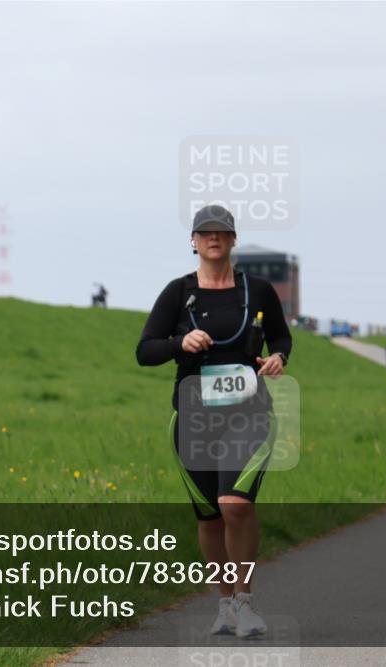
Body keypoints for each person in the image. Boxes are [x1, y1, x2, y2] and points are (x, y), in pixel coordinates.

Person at [136, 204, 292, 638]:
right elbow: (144, 350)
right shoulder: (177, 292)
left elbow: (281, 335)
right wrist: (178, 342)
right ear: (193, 241)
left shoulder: (257, 290)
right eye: (205, 232)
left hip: (250, 413)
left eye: (221, 231)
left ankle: (245, 601)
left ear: (233, 239)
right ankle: (224, 604)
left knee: (234, 504)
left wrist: (278, 356)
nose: (213, 237)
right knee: (209, 516)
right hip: (193, 418)